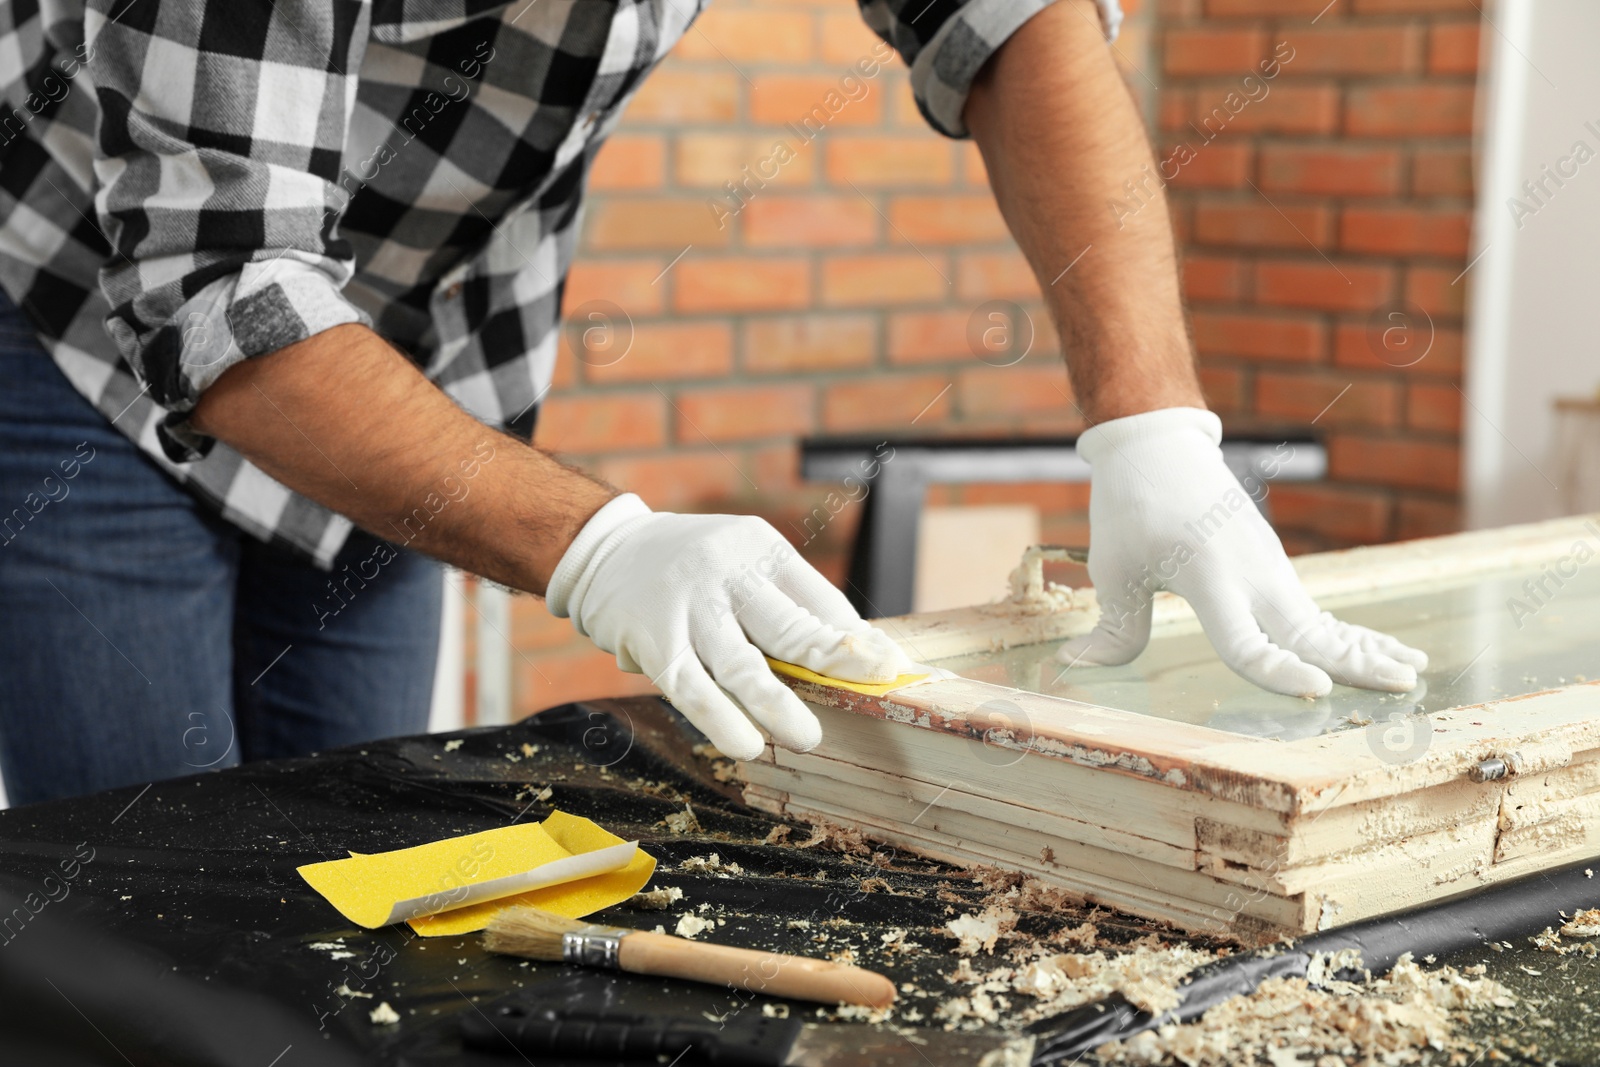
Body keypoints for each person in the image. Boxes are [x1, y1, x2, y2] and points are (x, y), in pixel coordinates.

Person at [0, 0, 1425, 806]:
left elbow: (1011, 23)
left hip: (410, 337)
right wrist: (595, 545)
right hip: (83, 325)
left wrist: (1153, 428)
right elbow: (219, 281)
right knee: (157, 884)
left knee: (363, 858)